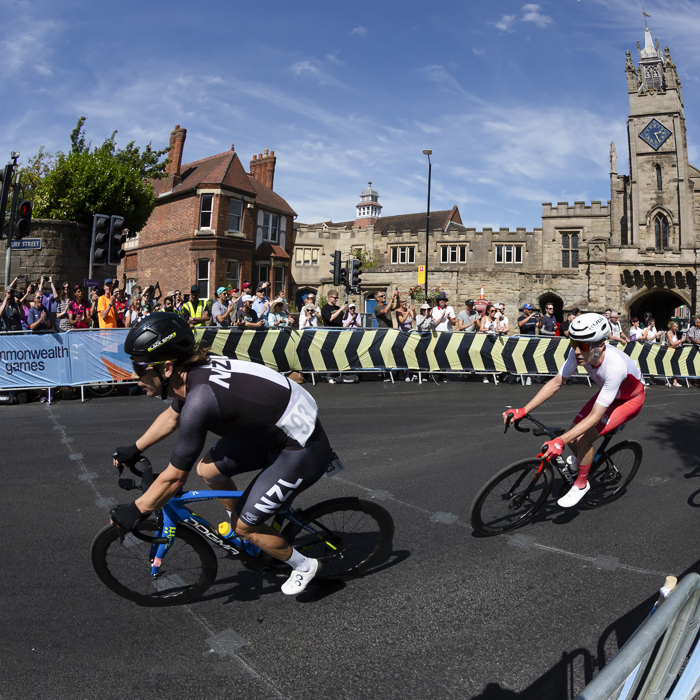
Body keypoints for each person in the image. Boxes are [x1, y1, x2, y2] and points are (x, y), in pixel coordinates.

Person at [111, 313, 332, 595]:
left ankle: (302, 564)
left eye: (139, 367)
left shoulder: (200, 399)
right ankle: (250, 523)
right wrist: (135, 448)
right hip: (275, 429)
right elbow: (171, 417)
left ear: (167, 368)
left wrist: (138, 508)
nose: (134, 375)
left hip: (301, 448)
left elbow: (175, 478)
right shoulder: (193, 374)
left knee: (243, 525)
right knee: (208, 471)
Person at [504, 313, 645, 508]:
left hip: (630, 400)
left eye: (584, 346)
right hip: (609, 393)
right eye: (573, 344)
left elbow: (595, 416)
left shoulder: (615, 366)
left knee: (583, 438)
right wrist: (523, 409)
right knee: (573, 431)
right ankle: (584, 462)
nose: (577, 351)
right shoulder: (581, 351)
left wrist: (559, 441)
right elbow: (556, 382)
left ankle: (581, 484)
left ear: (601, 345)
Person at [665, 321, 687, 387]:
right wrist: (681, 341)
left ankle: (675, 381)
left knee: (675, 365)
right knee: (669, 365)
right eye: (676, 327)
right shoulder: (668, 333)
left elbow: (676, 341)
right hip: (669, 351)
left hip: (675, 351)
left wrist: (680, 341)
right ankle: (667, 381)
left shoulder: (674, 333)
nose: (677, 328)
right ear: (672, 327)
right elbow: (672, 344)